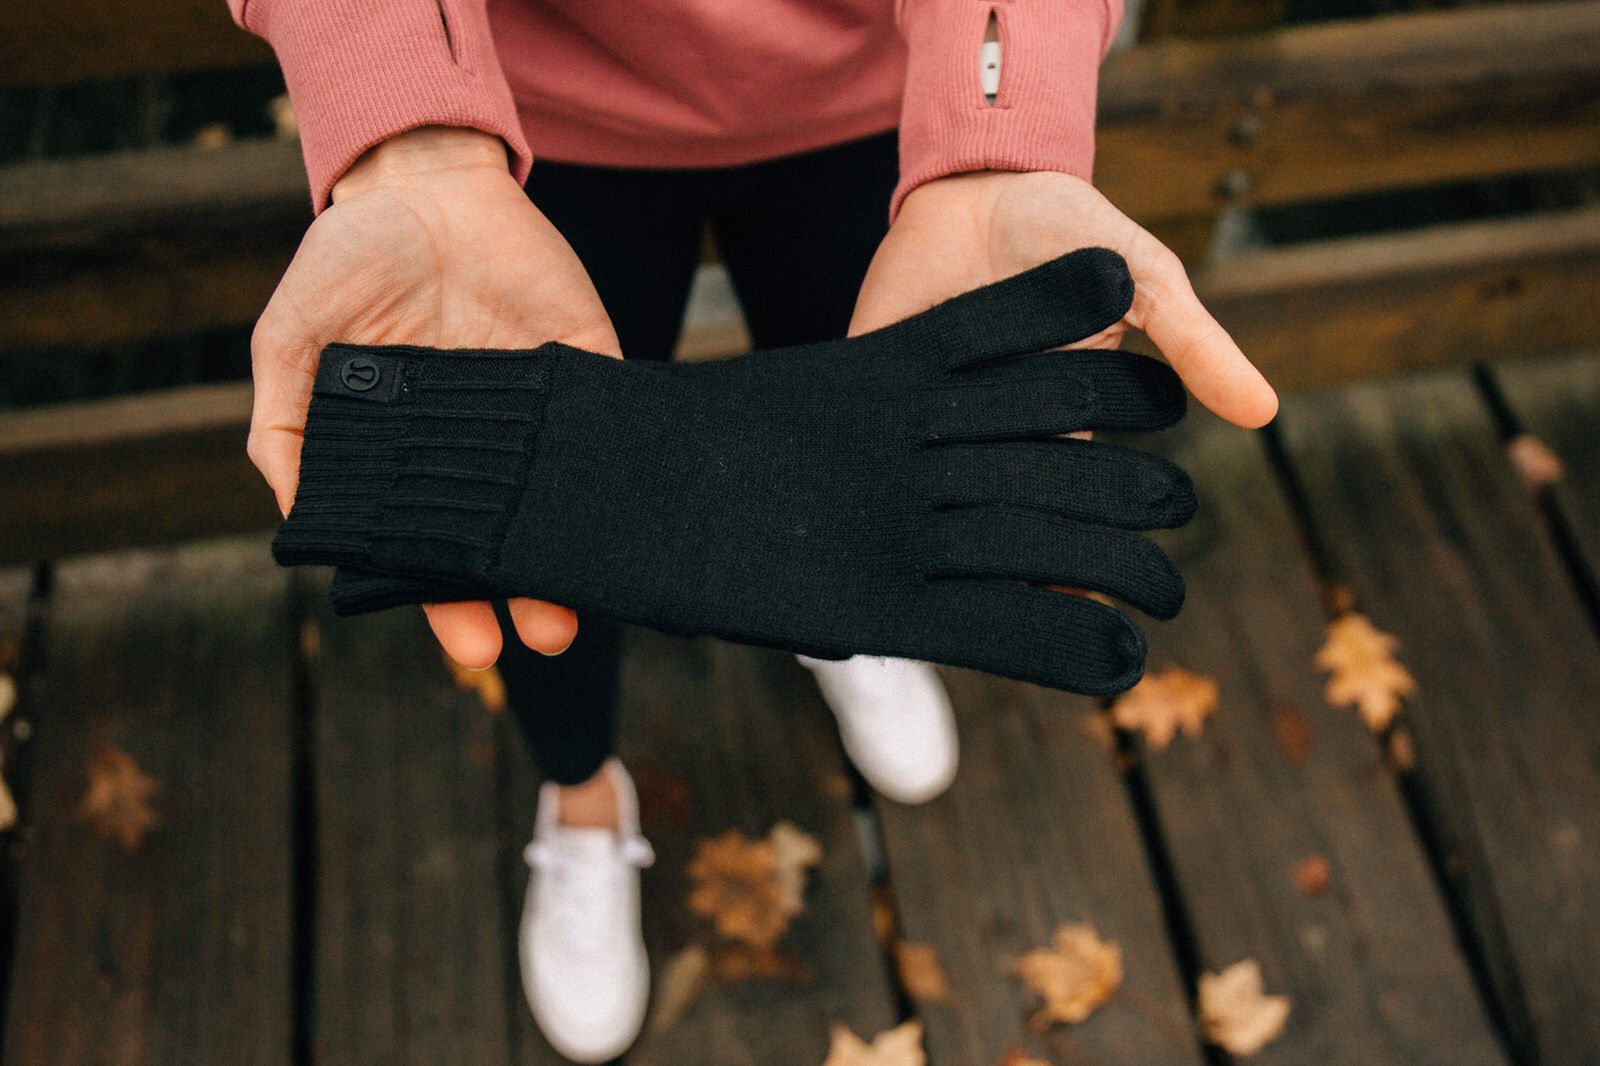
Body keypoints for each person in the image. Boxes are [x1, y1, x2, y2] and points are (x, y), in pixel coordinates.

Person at [230, 0, 1278, 1059]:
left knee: (883, 429)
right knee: (536, 523)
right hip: (521, 102)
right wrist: (406, 127)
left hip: (879, 86)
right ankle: (580, 785)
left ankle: (842, 618)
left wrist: (997, 108)